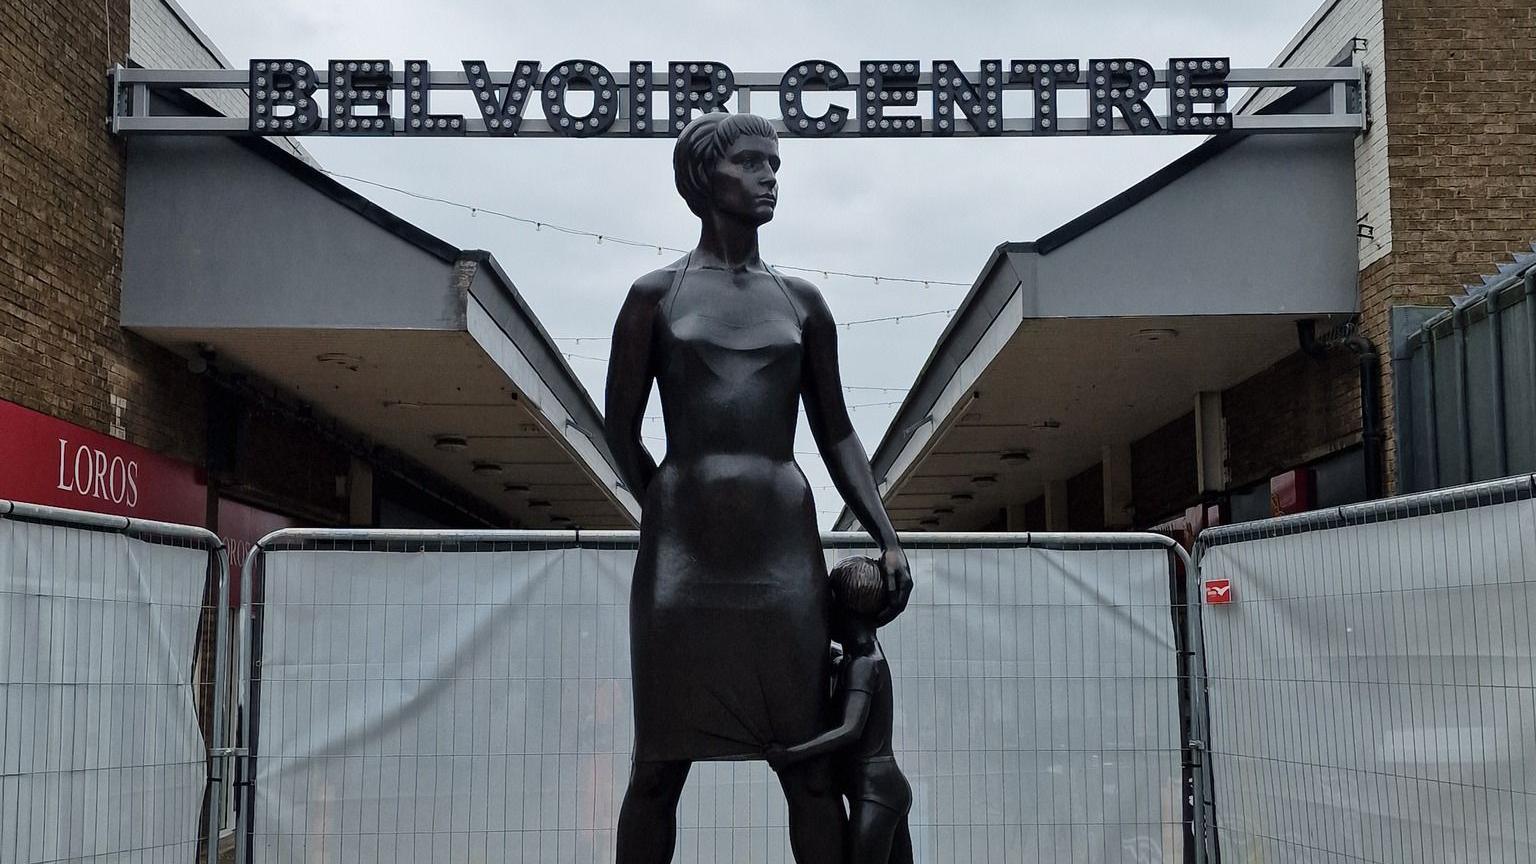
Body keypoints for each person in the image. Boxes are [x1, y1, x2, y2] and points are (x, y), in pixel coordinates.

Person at [604, 111, 913, 864]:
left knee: (808, 771)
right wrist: (675, 509)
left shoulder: (801, 302)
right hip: (682, 567)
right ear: (707, 177)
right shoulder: (655, 295)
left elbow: (837, 432)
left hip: (782, 561)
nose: (771, 177)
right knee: (656, 768)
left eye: (774, 164)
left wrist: (884, 531)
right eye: (752, 164)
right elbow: (618, 429)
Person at [766, 556, 914, 864]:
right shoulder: (856, 658)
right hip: (880, 790)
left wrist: (792, 753)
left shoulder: (863, 664)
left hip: (876, 794)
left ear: (844, 611)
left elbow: (850, 730)